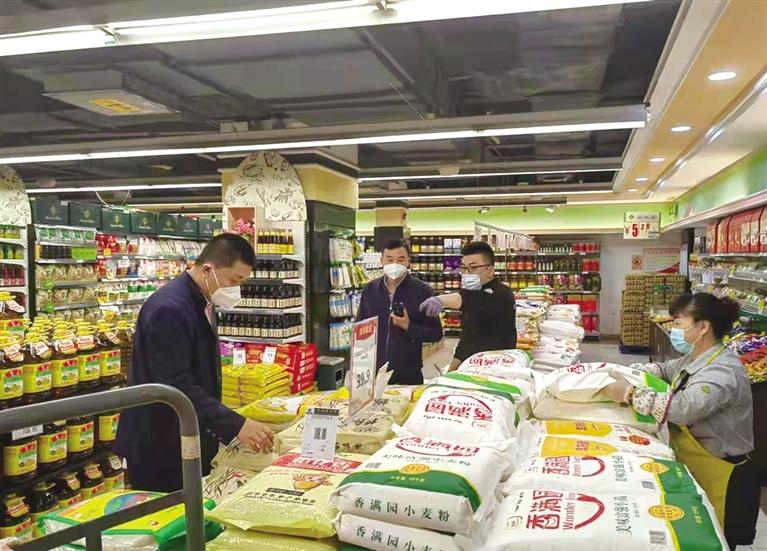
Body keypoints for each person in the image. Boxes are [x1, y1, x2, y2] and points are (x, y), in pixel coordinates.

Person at [116, 234, 274, 492]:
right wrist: (235, 425)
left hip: (184, 434)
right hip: (159, 443)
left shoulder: (202, 300)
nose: (237, 290)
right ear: (208, 269)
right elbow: (176, 385)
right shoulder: (169, 309)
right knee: (170, 512)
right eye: (234, 280)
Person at [602, 293, 758, 549]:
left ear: (702, 327)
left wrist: (631, 393)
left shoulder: (722, 370)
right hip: (698, 462)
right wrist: (628, 371)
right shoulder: (698, 356)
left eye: (678, 323)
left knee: (716, 538)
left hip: (724, 472)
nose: (673, 329)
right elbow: (666, 369)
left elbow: (685, 409)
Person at [356, 239, 443, 384]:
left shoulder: (423, 291)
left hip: (409, 373)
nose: (394, 264)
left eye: (400, 259)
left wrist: (408, 326)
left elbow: (435, 334)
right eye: (389, 259)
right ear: (381, 261)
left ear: (408, 261)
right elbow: (360, 328)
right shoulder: (370, 290)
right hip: (374, 372)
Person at [419, 240, 516, 371]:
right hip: (474, 365)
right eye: (464, 268)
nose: (467, 273)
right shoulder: (474, 290)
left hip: (497, 367)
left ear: (490, 270)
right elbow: (468, 338)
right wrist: (452, 370)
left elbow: (465, 299)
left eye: (473, 268)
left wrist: (440, 299)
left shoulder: (501, 294)